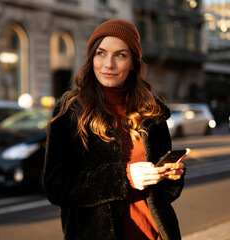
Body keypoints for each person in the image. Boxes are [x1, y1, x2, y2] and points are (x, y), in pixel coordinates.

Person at [43, 19, 185, 240]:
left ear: (133, 64)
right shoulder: (70, 111)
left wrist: (171, 176)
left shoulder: (151, 111)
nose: (108, 64)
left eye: (120, 55)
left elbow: (164, 195)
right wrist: (124, 176)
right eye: (101, 53)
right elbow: (57, 186)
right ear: (92, 59)